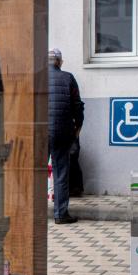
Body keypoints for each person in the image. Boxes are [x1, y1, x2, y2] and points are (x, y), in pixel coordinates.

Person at [48, 48, 84, 225]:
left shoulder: (34, 79)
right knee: (61, 172)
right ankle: (61, 214)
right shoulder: (68, 78)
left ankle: (32, 212)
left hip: (39, 133)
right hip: (62, 131)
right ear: (60, 62)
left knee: (36, 173)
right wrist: (78, 126)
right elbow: (77, 105)